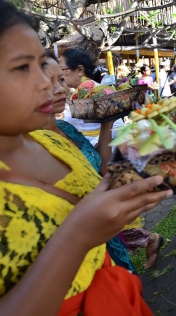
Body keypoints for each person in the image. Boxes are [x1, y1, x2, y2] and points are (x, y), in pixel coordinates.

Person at [0, 0, 172, 315]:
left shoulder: (50, 140)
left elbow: (95, 188)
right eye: (21, 67)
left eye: (42, 63)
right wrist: (76, 237)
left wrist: (135, 174)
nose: (47, 82)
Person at [42, 52, 165, 272]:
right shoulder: (36, 143)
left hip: (108, 228)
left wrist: (107, 123)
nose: (60, 89)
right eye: (48, 82)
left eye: (60, 79)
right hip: (84, 241)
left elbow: (100, 164)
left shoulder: (66, 128)